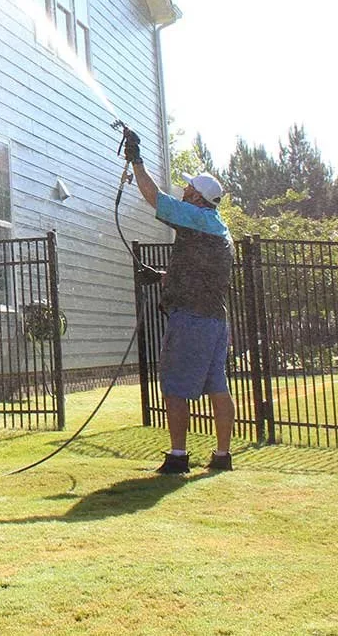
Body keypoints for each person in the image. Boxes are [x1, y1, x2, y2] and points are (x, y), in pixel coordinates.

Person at [121, 128, 235, 474]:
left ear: (198, 197)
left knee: (173, 383)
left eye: (188, 189)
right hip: (216, 319)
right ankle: (221, 456)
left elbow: (153, 197)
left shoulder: (197, 218)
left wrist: (137, 159)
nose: (183, 191)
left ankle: (178, 456)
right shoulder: (219, 229)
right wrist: (160, 276)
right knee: (217, 385)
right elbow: (200, 277)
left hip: (193, 320)